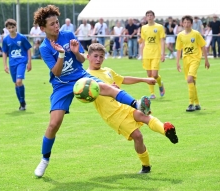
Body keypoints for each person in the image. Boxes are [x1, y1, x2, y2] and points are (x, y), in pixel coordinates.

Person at [33, 5, 151, 178]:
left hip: (80, 76)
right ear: (43, 28)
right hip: (61, 85)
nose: (56, 26)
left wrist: (75, 52)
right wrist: (60, 54)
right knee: (54, 124)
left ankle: (137, 104)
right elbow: (56, 72)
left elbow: (81, 59)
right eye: (52, 24)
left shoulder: (68, 35)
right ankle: (45, 159)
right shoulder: (44, 47)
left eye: (57, 22)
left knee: (106, 88)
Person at [86, 43, 178, 173]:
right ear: (88, 57)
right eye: (95, 56)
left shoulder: (107, 71)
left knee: (144, 116)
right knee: (138, 136)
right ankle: (146, 166)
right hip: (112, 114)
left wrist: (144, 80)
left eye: (101, 56)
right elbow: (89, 95)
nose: (98, 59)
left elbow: (123, 79)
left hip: (123, 105)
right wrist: (110, 90)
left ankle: (167, 131)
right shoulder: (86, 77)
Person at [175, 15, 210, 112]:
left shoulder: (196, 34)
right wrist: (177, 62)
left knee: (189, 79)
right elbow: (179, 49)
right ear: (182, 23)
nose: (186, 24)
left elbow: (203, 46)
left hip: (195, 58)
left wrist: (206, 60)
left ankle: (191, 104)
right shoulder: (180, 35)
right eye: (184, 22)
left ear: (191, 23)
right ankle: (197, 103)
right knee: (192, 81)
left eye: (188, 22)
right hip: (185, 59)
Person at [2, 19, 32, 111]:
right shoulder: (6, 39)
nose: (11, 29)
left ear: (16, 27)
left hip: (21, 62)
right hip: (12, 63)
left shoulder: (22, 37)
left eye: (13, 27)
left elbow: (28, 49)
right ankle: (21, 103)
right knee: (16, 83)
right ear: (7, 28)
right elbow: (4, 52)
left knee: (19, 81)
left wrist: (29, 62)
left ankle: (23, 102)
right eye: (9, 28)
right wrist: (5, 65)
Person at [140, 10, 166, 99]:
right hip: (146, 53)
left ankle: (160, 83)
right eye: (148, 15)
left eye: (151, 15)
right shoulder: (143, 28)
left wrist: (163, 53)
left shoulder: (159, 27)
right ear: (146, 17)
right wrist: (141, 54)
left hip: (156, 53)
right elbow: (143, 41)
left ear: (154, 17)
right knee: (149, 75)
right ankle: (152, 94)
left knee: (154, 75)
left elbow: (162, 40)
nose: (149, 17)